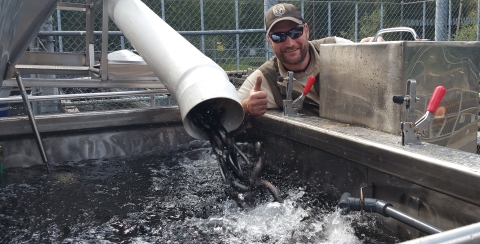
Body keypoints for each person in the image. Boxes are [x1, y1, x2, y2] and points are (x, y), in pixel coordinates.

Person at [237, 3, 377, 117]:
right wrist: (247, 106)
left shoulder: (336, 48)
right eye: (278, 37)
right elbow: (226, 111)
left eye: (295, 32)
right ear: (269, 41)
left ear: (306, 30)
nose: (290, 43)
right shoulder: (265, 79)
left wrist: (377, 48)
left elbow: (372, 60)